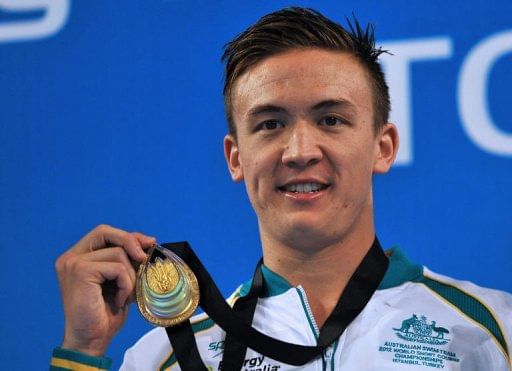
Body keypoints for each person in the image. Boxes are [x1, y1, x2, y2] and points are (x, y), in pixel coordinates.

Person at [50, 7, 512, 371]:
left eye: (331, 119)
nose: (299, 151)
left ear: (383, 147)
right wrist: (82, 350)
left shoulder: (493, 331)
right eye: (270, 124)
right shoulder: (168, 358)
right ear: (236, 158)